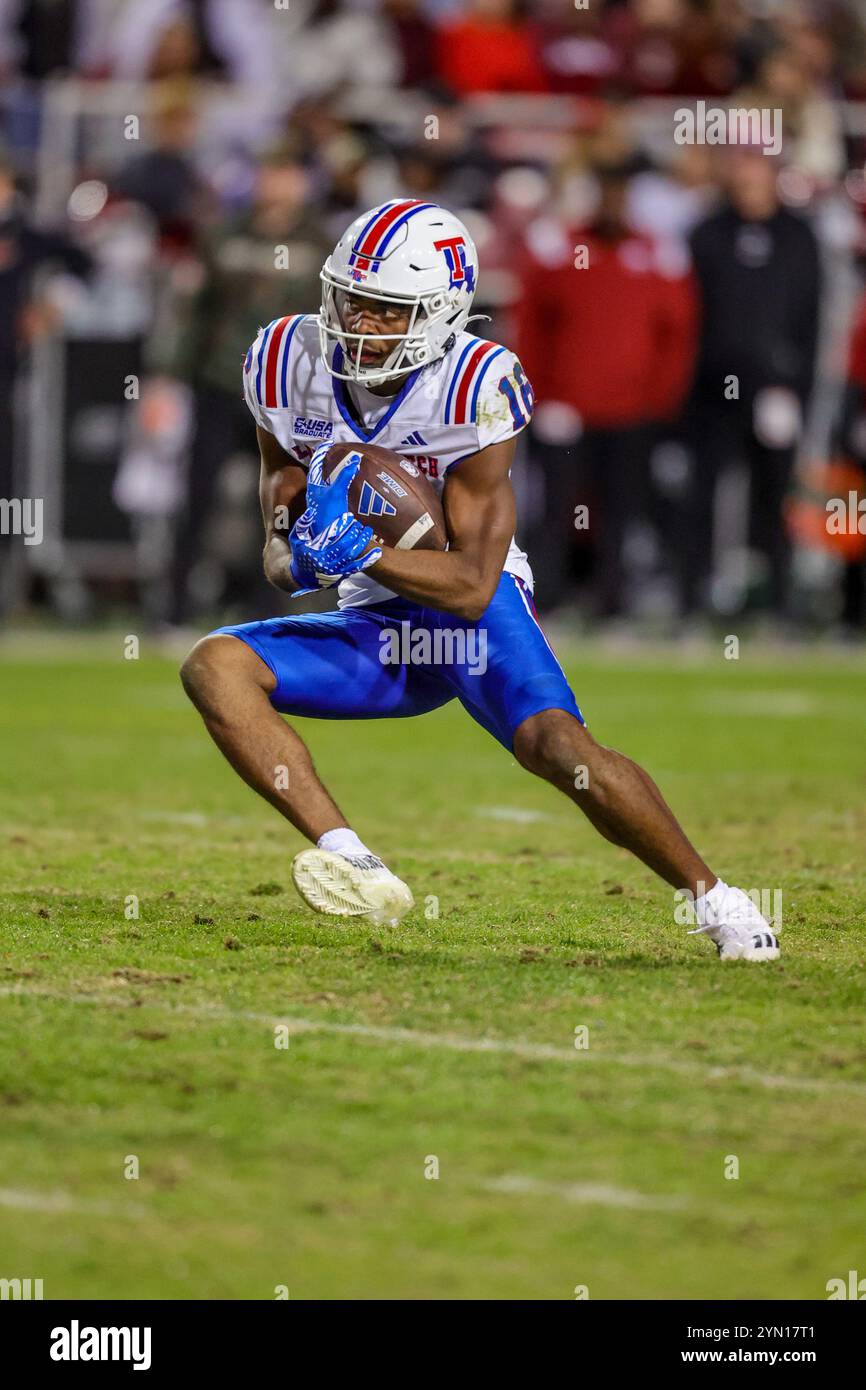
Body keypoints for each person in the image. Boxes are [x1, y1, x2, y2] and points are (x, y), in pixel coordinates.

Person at [180, 198, 779, 963]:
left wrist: (358, 553)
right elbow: (280, 492)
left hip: (465, 612)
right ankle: (356, 864)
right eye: (349, 299)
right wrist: (287, 550)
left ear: (437, 314)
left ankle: (718, 902)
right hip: (376, 626)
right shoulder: (281, 359)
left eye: (385, 310)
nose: (358, 323)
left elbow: (468, 586)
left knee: (561, 750)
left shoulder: (474, 385)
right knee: (213, 666)